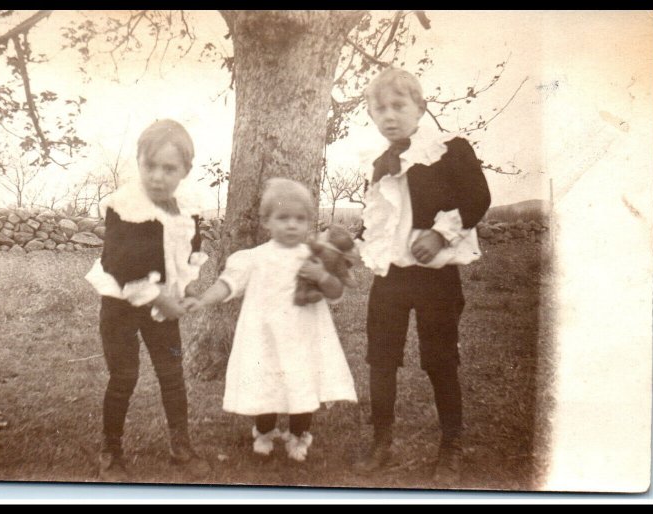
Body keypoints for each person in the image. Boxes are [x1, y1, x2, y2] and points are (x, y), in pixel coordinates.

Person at [353, 68, 491, 485]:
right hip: (391, 277)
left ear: (421, 108)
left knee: (439, 360)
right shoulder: (379, 163)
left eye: (399, 106)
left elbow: (477, 197)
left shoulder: (448, 150)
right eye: (380, 109)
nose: (389, 116)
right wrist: (352, 242)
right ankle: (382, 441)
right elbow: (377, 220)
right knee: (381, 359)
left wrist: (438, 234)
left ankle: (451, 446)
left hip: (435, 276)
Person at [185, 178, 357, 462]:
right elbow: (229, 284)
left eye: (300, 219)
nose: (292, 225)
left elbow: (336, 291)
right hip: (264, 335)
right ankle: (264, 431)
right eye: (283, 218)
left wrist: (322, 276)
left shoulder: (314, 256)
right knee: (266, 383)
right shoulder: (253, 258)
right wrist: (203, 299)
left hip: (304, 335)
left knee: (302, 383)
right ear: (267, 222)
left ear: (309, 222)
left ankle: (299, 435)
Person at [84, 119, 211, 481]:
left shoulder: (185, 206)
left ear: (186, 170)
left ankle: (180, 446)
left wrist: (183, 286)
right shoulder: (125, 205)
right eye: (149, 166)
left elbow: (188, 249)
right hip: (121, 303)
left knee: (172, 373)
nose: (157, 176)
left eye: (169, 168)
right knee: (124, 375)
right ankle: (111, 450)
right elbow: (119, 264)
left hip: (163, 304)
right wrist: (159, 296)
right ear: (138, 162)